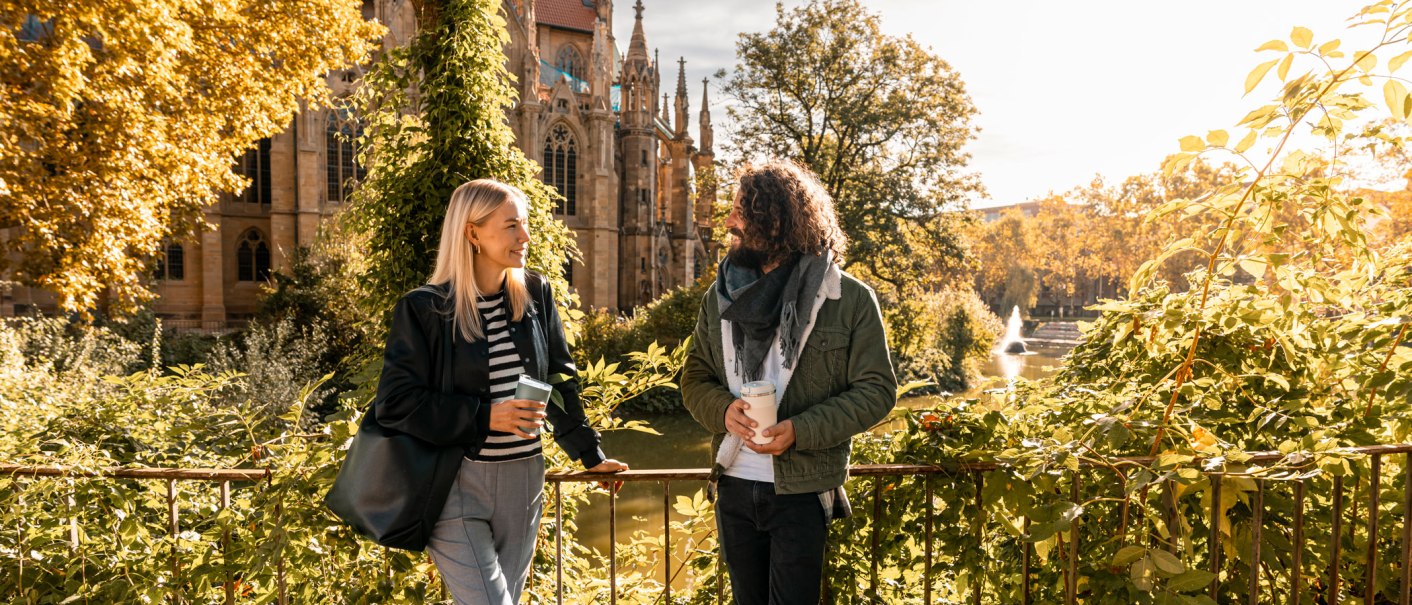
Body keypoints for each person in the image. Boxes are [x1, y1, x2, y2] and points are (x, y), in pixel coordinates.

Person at [373, 179, 628, 604]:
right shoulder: (424, 309)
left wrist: (590, 455)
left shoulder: (536, 294)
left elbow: (560, 381)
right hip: (453, 483)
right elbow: (394, 403)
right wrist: (486, 416)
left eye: (524, 224)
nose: (525, 236)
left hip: (524, 481)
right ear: (472, 232)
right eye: (511, 226)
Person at [681, 160, 897, 604]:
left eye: (741, 211)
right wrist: (723, 411)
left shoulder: (848, 299)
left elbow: (877, 389)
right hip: (734, 484)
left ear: (775, 220)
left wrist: (800, 430)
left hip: (802, 490)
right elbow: (695, 378)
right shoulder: (719, 296)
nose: (729, 222)